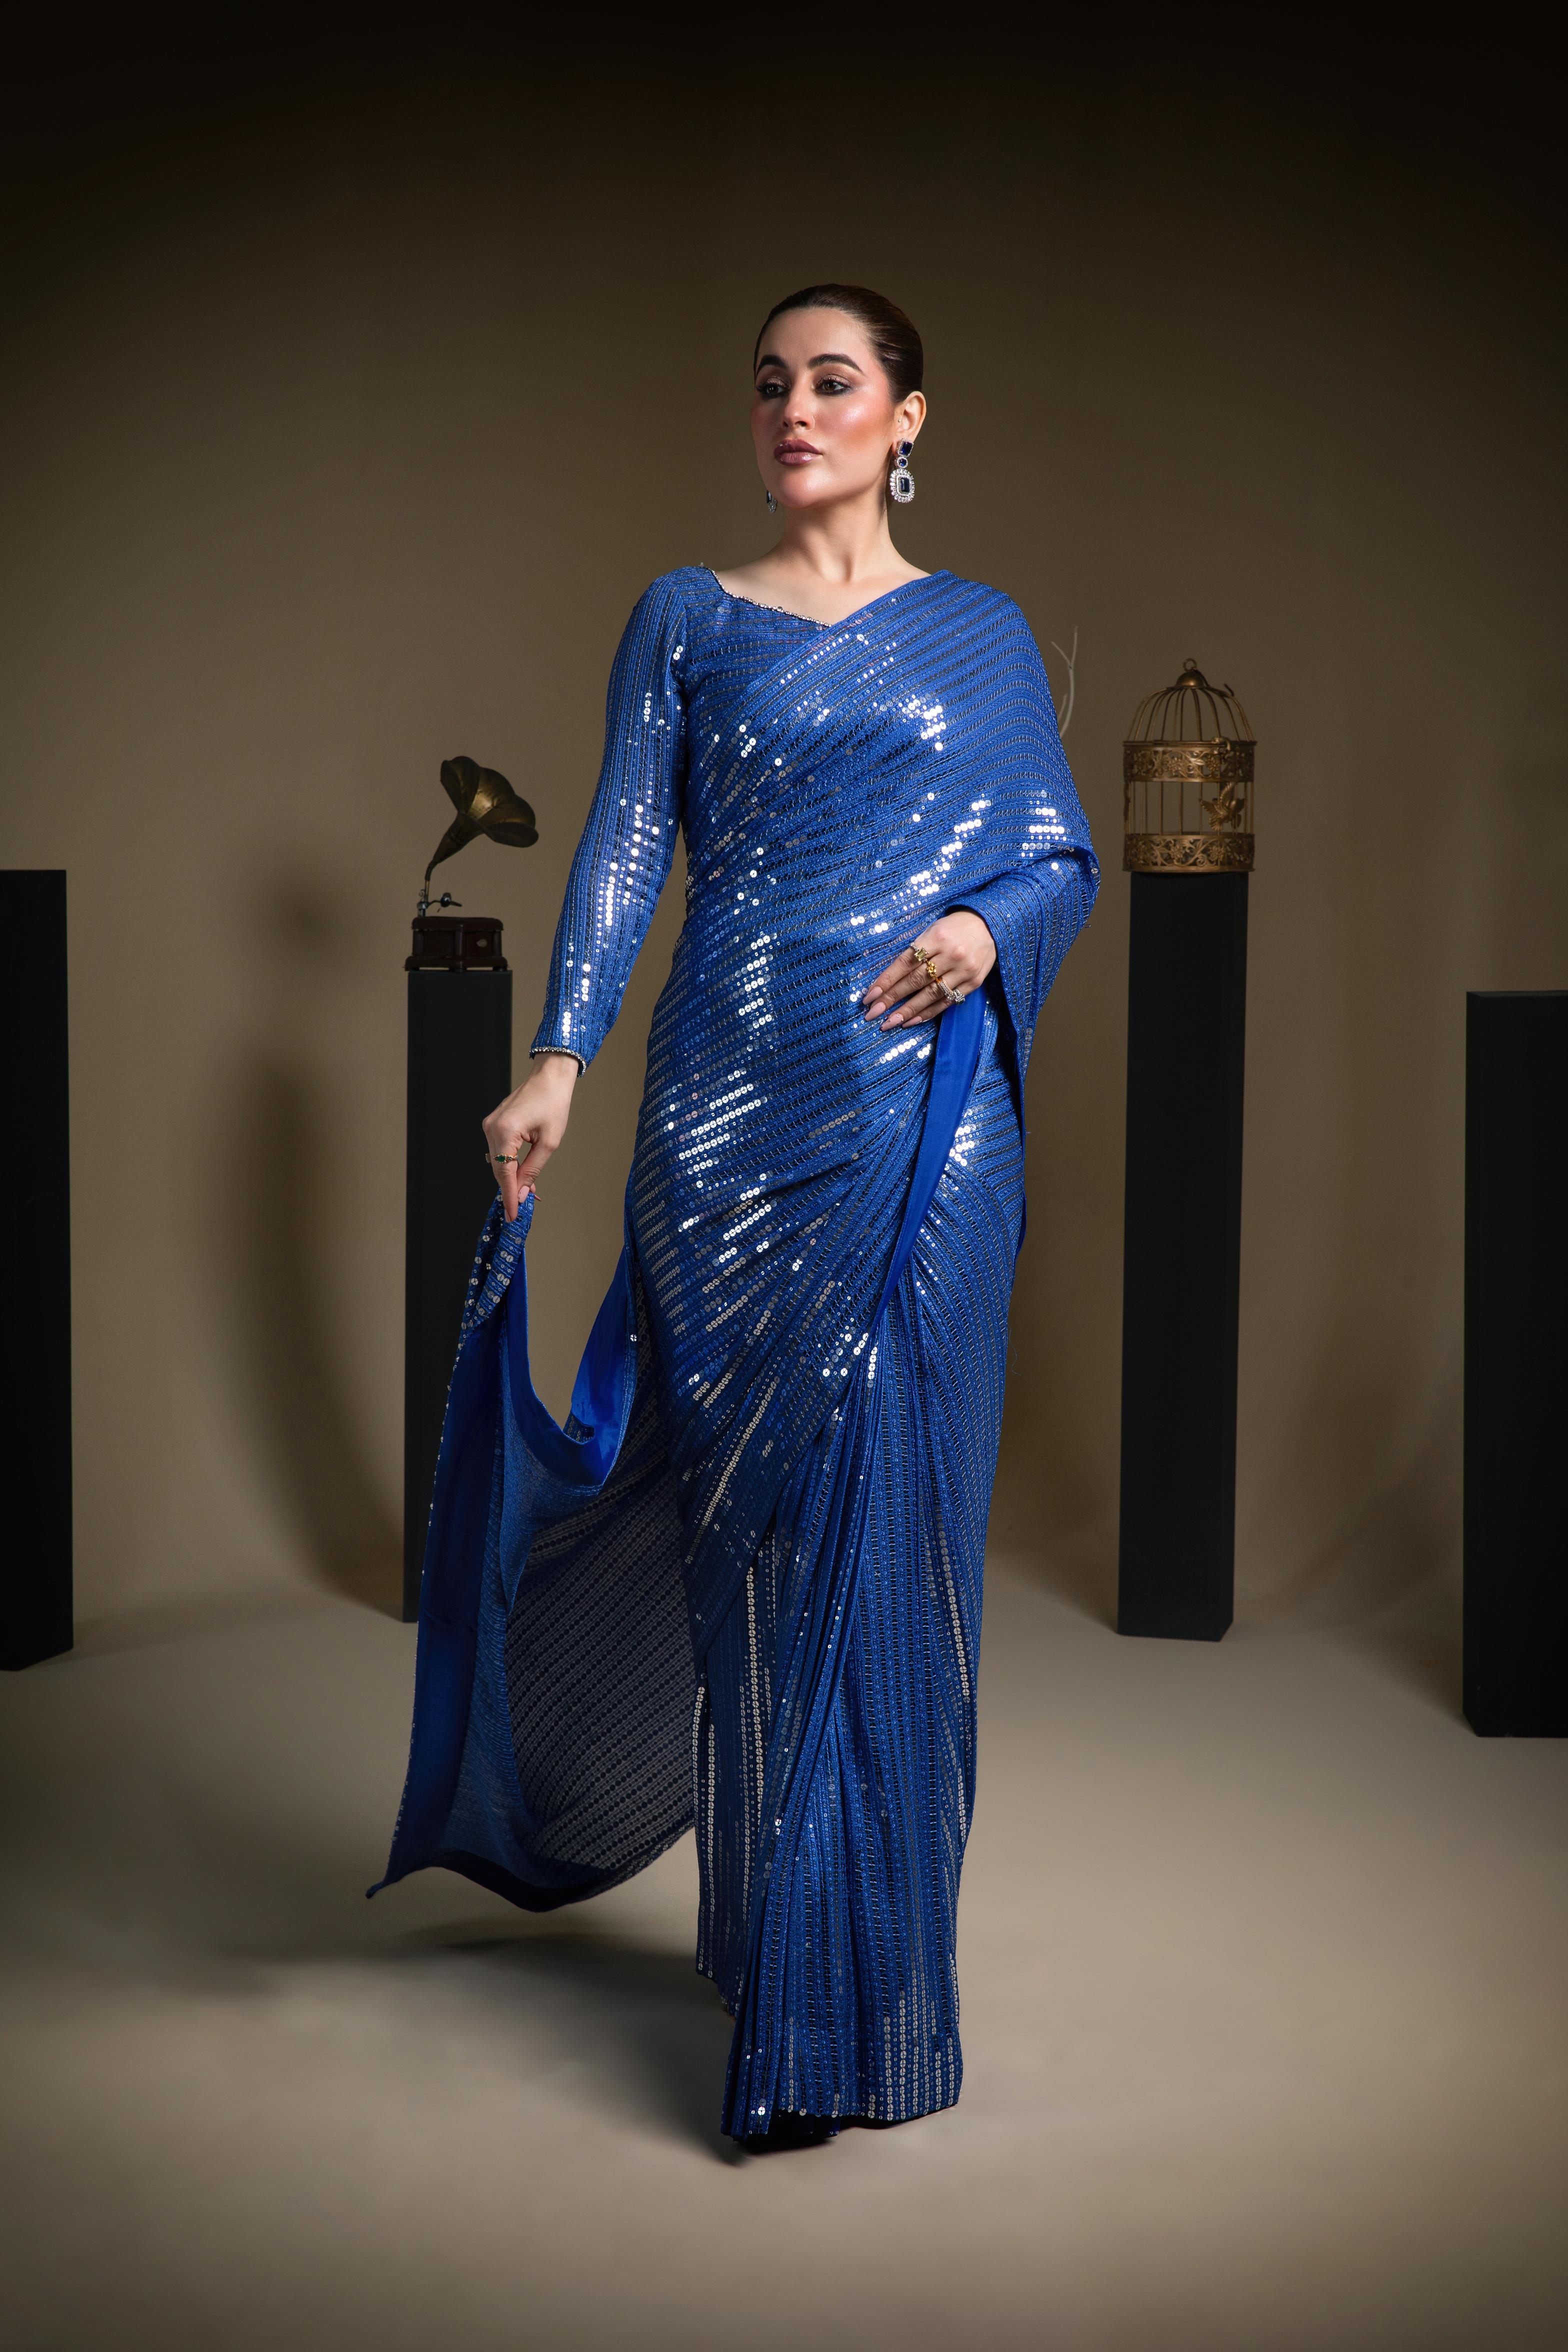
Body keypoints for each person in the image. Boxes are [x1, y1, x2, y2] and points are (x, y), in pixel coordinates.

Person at [374, 284, 1098, 2149]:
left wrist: (986, 927)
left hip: (928, 1128)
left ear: (909, 416)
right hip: (720, 1119)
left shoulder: (986, 634)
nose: (796, 408)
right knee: (751, 1549)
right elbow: (627, 848)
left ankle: (869, 2003)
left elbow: (1060, 858)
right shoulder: (686, 617)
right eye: (771, 383)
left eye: (834, 381)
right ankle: (784, 1962)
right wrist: (557, 1059)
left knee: (898, 1532)